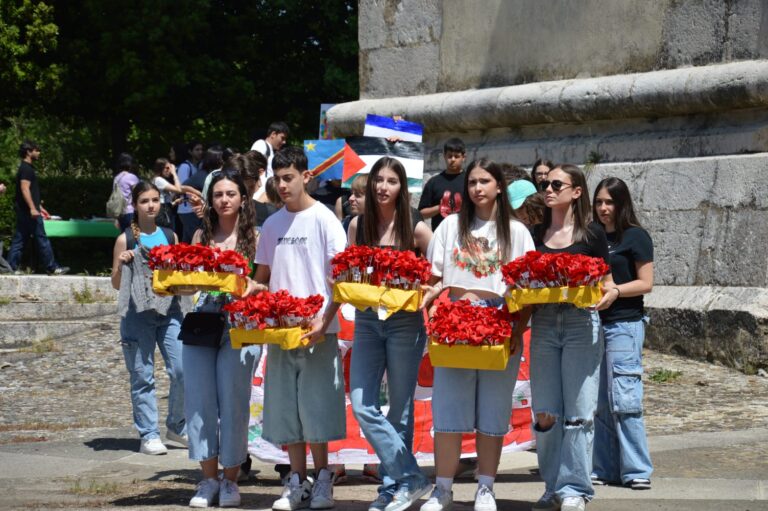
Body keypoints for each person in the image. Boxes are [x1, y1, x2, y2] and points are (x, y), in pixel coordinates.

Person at [420, 158, 534, 511]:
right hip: (454, 326)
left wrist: (517, 328)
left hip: (499, 326)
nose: (477, 188)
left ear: (499, 186)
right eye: (472, 182)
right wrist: (430, 308)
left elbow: (526, 288)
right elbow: (435, 278)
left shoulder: (517, 232)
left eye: (485, 181)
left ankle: (486, 487)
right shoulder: (450, 226)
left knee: (492, 412)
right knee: (448, 412)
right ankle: (442, 489)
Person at [253, 146, 347, 511]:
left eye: (288, 178)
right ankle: (296, 480)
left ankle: (323, 478)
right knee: (286, 408)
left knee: (317, 407)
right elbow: (262, 277)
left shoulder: (325, 220)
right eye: (277, 179)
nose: (282, 185)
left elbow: (340, 280)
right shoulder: (272, 225)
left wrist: (325, 320)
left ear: (306, 177)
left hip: (318, 329)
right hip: (280, 332)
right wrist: (237, 289)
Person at [346, 157, 433, 511]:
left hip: (404, 322)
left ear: (402, 187)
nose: (383, 187)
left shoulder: (416, 227)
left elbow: (438, 272)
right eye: (378, 180)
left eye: (391, 181)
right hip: (367, 320)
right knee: (362, 404)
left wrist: (427, 294)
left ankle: (393, 486)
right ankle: (410, 477)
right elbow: (348, 272)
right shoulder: (358, 225)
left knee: (400, 410)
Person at [529, 164, 617, 511]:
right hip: (544, 323)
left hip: (581, 322)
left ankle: (575, 489)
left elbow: (608, 284)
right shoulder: (535, 233)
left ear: (577, 191)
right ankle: (552, 485)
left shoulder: (592, 234)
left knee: (579, 413)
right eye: (545, 185)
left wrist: (608, 295)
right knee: (546, 412)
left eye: (556, 184)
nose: (548, 190)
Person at [184, 171, 262, 508]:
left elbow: (266, 283)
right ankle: (208, 480)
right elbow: (188, 282)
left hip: (241, 324)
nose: (224, 200)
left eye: (231, 193)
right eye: (218, 194)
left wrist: (249, 288)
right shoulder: (201, 235)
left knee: (234, 402)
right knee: (199, 401)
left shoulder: (255, 237)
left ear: (243, 199)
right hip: (203, 320)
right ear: (210, 200)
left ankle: (230, 479)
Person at [111, 181, 188, 456]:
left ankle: (177, 425)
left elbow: (178, 275)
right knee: (142, 375)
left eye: (155, 200)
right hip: (137, 314)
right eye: (144, 201)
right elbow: (116, 284)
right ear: (135, 205)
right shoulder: (125, 239)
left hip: (170, 311)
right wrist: (122, 264)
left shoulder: (170, 236)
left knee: (182, 370)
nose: (151, 205)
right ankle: (149, 434)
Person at [591, 178, 654, 490]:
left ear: (621, 203)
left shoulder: (635, 236)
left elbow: (646, 283)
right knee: (600, 401)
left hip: (624, 324)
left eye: (610, 202)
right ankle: (604, 467)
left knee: (625, 398)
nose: (603, 208)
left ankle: (636, 469)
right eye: (599, 202)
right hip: (594, 323)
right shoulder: (592, 235)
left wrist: (616, 290)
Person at [7, 141, 69, 275]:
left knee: (20, 239)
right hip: (28, 211)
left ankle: (10, 267)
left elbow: (31, 192)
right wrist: (33, 208)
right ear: (29, 152)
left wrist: (39, 207)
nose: (39, 153)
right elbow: (24, 189)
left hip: (26, 210)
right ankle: (52, 267)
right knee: (41, 238)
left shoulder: (25, 168)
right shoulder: (26, 169)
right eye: (36, 150)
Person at [418, 138, 466, 231]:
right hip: (440, 235)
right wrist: (440, 207)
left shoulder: (470, 181)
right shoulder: (433, 182)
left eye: (456, 156)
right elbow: (421, 214)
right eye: (449, 156)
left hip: (465, 233)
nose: (452, 159)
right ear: (444, 156)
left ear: (463, 157)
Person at [177, 141, 204, 243]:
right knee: (196, 239)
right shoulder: (185, 166)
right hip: (187, 209)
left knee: (187, 241)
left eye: (201, 149)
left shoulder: (198, 166)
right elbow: (181, 187)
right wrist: (199, 194)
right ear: (190, 151)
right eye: (197, 150)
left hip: (194, 208)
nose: (200, 152)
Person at [113, 153, 141, 232]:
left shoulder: (117, 178)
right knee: (135, 235)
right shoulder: (131, 177)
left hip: (121, 213)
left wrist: (116, 218)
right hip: (131, 212)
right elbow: (138, 193)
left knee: (125, 236)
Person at [151, 158, 183, 230]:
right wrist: (174, 174)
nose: (169, 170)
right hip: (162, 214)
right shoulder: (159, 180)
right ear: (160, 169)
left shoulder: (161, 180)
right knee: (167, 233)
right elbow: (178, 189)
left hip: (166, 211)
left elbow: (163, 200)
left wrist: (174, 203)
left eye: (170, 168)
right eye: (167, 168)